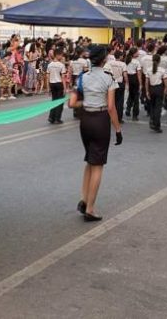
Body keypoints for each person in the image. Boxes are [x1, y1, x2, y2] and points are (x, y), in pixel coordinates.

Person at [68, 45, 122, 222]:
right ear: (104, 59)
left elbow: (71, 103)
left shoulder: (83, 77)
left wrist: (85, 103)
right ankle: (90, 208)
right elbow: (111, 107)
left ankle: (84, 199)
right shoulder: (108, 78)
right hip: (100, 120)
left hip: (85, 121)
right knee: (98, 164)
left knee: (90, 161)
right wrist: (118, 129)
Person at [145, 54, 167, 133]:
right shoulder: (162, 70)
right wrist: (166, 90)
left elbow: (147, 82)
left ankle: (152, 121)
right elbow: (165, 82)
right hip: (159, 89)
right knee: (158, 108)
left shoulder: (148, 70)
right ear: (159, 61)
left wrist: (147, 91)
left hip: (151, 88)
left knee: (152, 106)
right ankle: (157, 125)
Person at [47, 48, 67, 124]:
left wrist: (49, 87)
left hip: (52, 84)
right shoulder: (61, 65)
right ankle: (57, 118)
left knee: (54, 100)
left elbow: (48, 77)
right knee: (59, 102)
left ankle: (51, 117)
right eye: (61, 55)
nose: (62, 57)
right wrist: (65, 88)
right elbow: (63, 77)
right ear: (58, 55)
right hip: (59, 84)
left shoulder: (50, 65)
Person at [125, 47, 142, 121]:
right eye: (137, 52)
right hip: (134, 78)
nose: (138, 53)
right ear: (134, 54)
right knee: (136, 97)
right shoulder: (136, 62)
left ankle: (128, 109)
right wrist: (140, 83)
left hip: (127, 77)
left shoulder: (126, 60)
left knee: (130, 94)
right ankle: (135, 115)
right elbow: (138, 74)